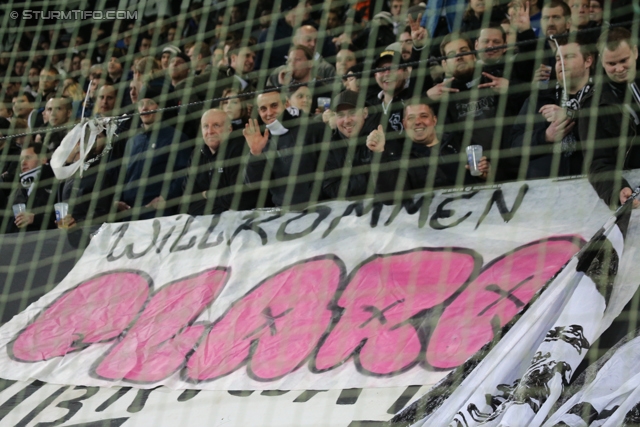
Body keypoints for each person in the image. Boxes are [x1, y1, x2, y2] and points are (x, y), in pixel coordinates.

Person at [370, 98, 490, 204]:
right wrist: (379, 153)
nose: (417, 122)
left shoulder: (460, 143)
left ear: (434, 120)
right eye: (411, 118)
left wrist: (487, 174)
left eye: (423, 116)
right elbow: (390, 197)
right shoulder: (401, 160)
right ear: (405, 124)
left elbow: (496, 178)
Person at [510, 34, 594, 179]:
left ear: (588, 61)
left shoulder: (602, 94)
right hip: (544, 189)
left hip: (591, 186)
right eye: (558, 59)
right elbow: (515, 146)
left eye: (568, 57)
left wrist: (571, 115)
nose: (561, 63)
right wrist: (545, 136)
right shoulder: (538, 99)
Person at [114, 85, 191, 220]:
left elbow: (183, 172)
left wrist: (165, 197)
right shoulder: (132, 141)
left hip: (159, 214)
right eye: (141, 104)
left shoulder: (176, 138)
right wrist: (118, 199)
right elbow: (123, 174)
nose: (144, 108)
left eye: (150, 103)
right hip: (129, 213)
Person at [583, 28, 640, 208]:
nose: (619, 68)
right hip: (634, 189)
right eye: (611, 64)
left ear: (636, 52)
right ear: (601, 60)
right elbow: (596, 162)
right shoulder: (593, 105)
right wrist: (616, 190)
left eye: (624, 61)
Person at [243, 90, 324, 207]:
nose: (269, 113)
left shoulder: (314, 129)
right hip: (283, 214)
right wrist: (255, 153)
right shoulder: (259, 140)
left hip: (321, 208)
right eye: (263, 109)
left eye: (274, 105)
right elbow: (254, 184)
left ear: (286, 104)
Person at [186, 109, 257, 215]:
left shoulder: (240, 149)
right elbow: (188, 200)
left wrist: (207, 195)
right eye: (205, 126)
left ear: (229, 129)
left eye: (216, 125)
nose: (210, 131)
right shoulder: (196, 154)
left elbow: (241, 199)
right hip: (206, 223)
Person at [321, 90, 379, 200]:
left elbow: (384, 180)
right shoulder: (331, 144)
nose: (347, 120)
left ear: (365, 113)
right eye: (341, 115)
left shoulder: (379, 135)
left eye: (352, 113)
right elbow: (330, 187)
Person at [5, 143, 57, 233]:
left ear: (43, 159)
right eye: (21, 159)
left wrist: (35, 219)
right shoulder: (18, 188)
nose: (23, 163)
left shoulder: (56, 183)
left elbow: (62, 217)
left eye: (28, 158)